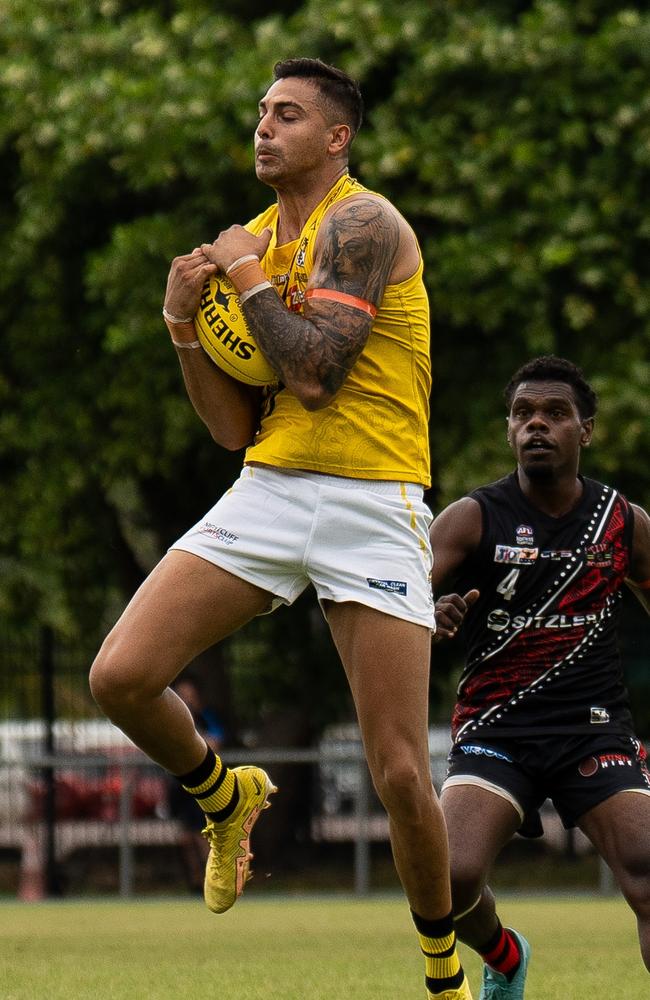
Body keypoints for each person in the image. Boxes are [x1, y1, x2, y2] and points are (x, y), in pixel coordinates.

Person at [90, 58, 471, 1000]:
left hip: (374, 501)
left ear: (336, 138)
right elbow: (232, 425)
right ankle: (226, 797)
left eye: (288, 115)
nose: (264, 128)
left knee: (398, 772)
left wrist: (249, 275)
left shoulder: (364, 221)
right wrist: (183, 321)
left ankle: (443, 972)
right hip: (270, 488)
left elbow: (313, 375)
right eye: (261, 112)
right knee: (119, 676)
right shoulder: (251, 241)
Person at [430, 355, 650, 998]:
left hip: (595, 732)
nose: (537, 425)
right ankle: (504, 956)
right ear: (508, 429)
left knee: (646, 866)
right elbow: (396, 599)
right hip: (498, 728)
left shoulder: (623, 523)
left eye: (555, 413)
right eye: (524, 414)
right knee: (451, 878)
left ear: (586, 430)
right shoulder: (472, 518)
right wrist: (427, 612)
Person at [164, 676, 225, 892]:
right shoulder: (170, 719)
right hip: (180, 784)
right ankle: (195, 881)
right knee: (185, 837)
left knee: (202, 835)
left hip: (203, 782)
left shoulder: (206, 718)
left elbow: (215, 743)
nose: (187, 700)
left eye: (190, 696)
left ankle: (216, 881)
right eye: (182, 696)